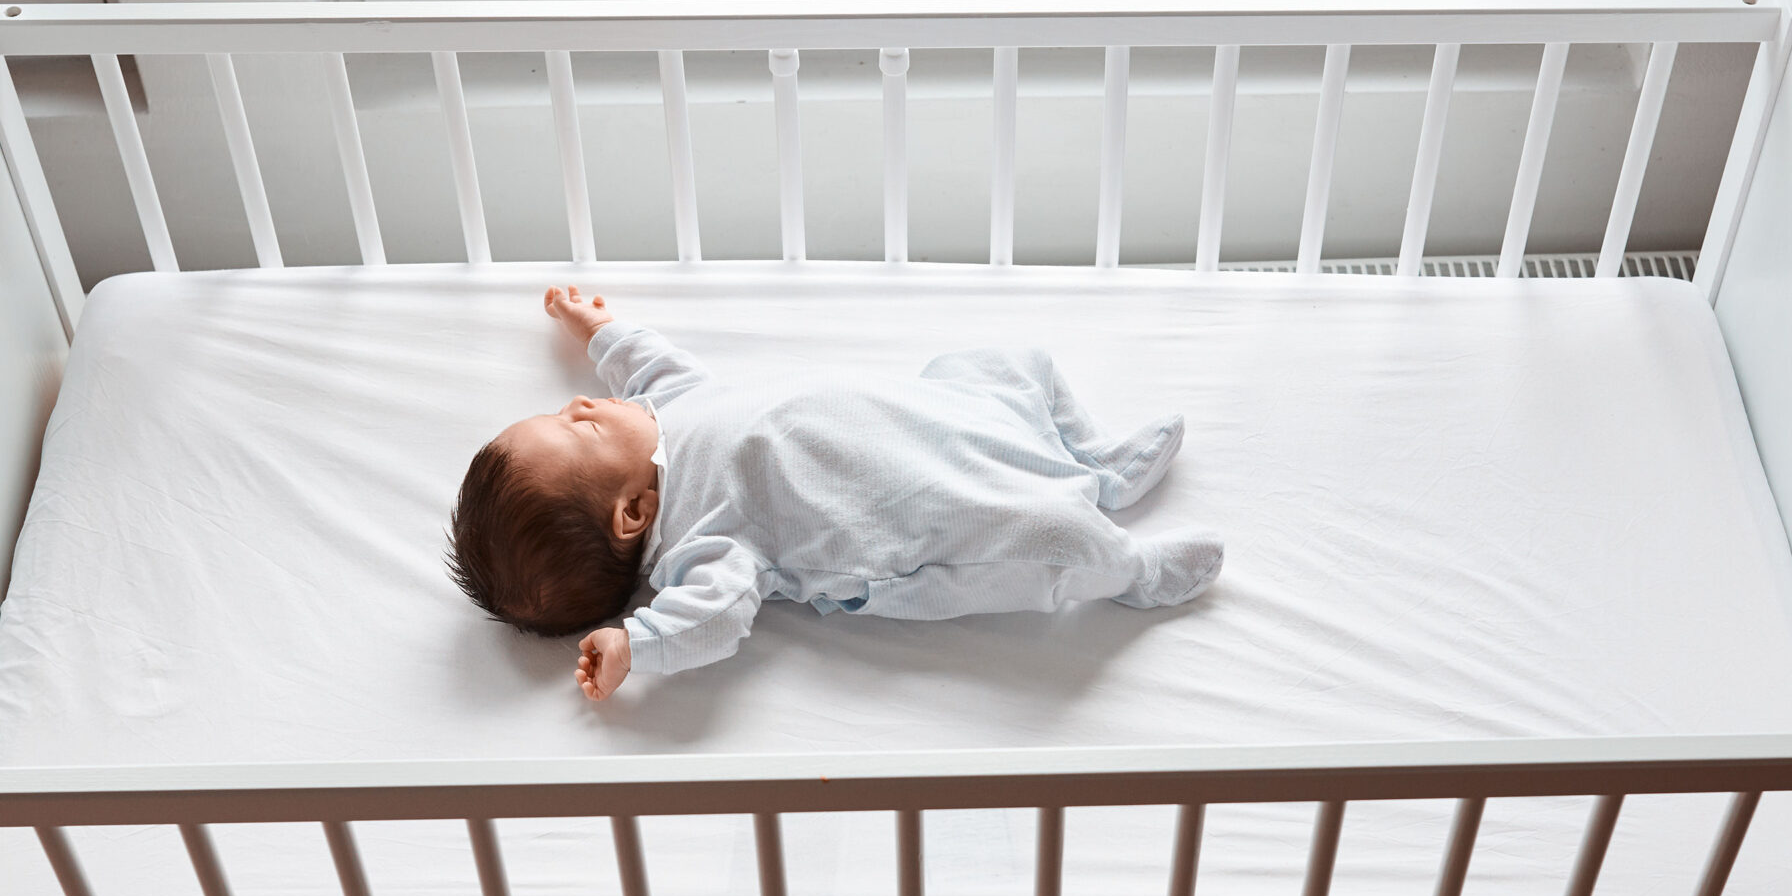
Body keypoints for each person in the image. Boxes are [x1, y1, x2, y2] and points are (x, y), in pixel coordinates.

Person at [450, 285, 1223, 701]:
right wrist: (637, 644)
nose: (581, 403)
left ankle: (1098, 466)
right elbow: (712, 619)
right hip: (920, 513)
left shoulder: (669, 410)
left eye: (566, 409)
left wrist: (604, 332)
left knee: (1014, 364)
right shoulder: (702, 541)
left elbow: (656, 368)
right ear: (633, 513)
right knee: (1051, 535)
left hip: (923, 418)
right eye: (579, 427)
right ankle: (1134, 571)